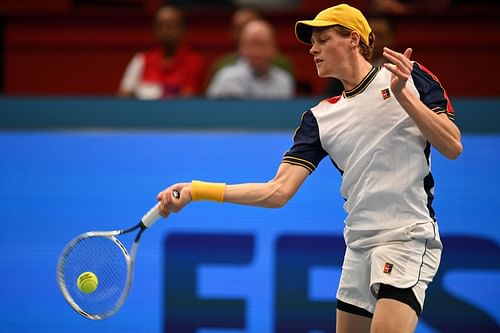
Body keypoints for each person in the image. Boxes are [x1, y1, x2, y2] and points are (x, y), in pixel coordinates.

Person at [158, 4, 462, 333]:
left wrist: (406, 99)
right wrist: (195, 190)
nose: (313, 49)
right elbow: (277, 192)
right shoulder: (320, 118)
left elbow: (452, 146)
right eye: (312, 42)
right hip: (358, 245)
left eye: (323, 39)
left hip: (406, 237)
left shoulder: (407, 75)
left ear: (352, 40)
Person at [118, 5, 205, 99]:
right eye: (162, 26)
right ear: (155, 31)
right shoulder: (141, 59)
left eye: (172, 25)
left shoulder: (194, 61)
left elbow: (187, 99)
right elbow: (123, 96)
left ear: (183, 30)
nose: (167, 31)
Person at [206, 7, 294, 89]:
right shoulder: (225, 75)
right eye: (238, 28)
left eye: (262, 44)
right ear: (242, 46)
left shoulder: (283, 76)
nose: (257, 52)